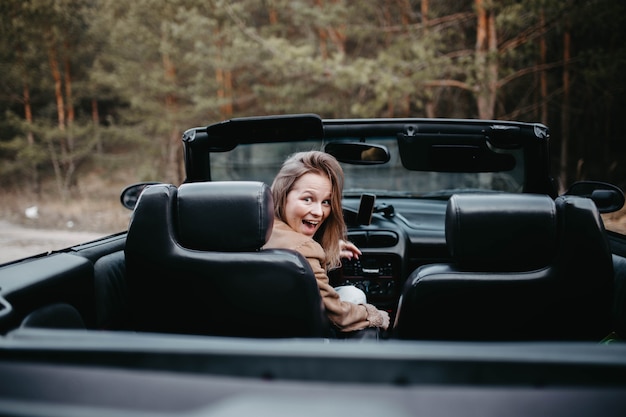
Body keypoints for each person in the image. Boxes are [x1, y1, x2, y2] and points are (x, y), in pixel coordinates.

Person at [264, 150, 390, 333]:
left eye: (326, 202)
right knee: (355, 294)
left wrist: (325, 251)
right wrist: (375, 315)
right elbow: (337, 313)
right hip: (299, 337)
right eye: (307, 199)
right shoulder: (305, 250)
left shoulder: (253, 231)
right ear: (283, 196)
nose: (319, 212)